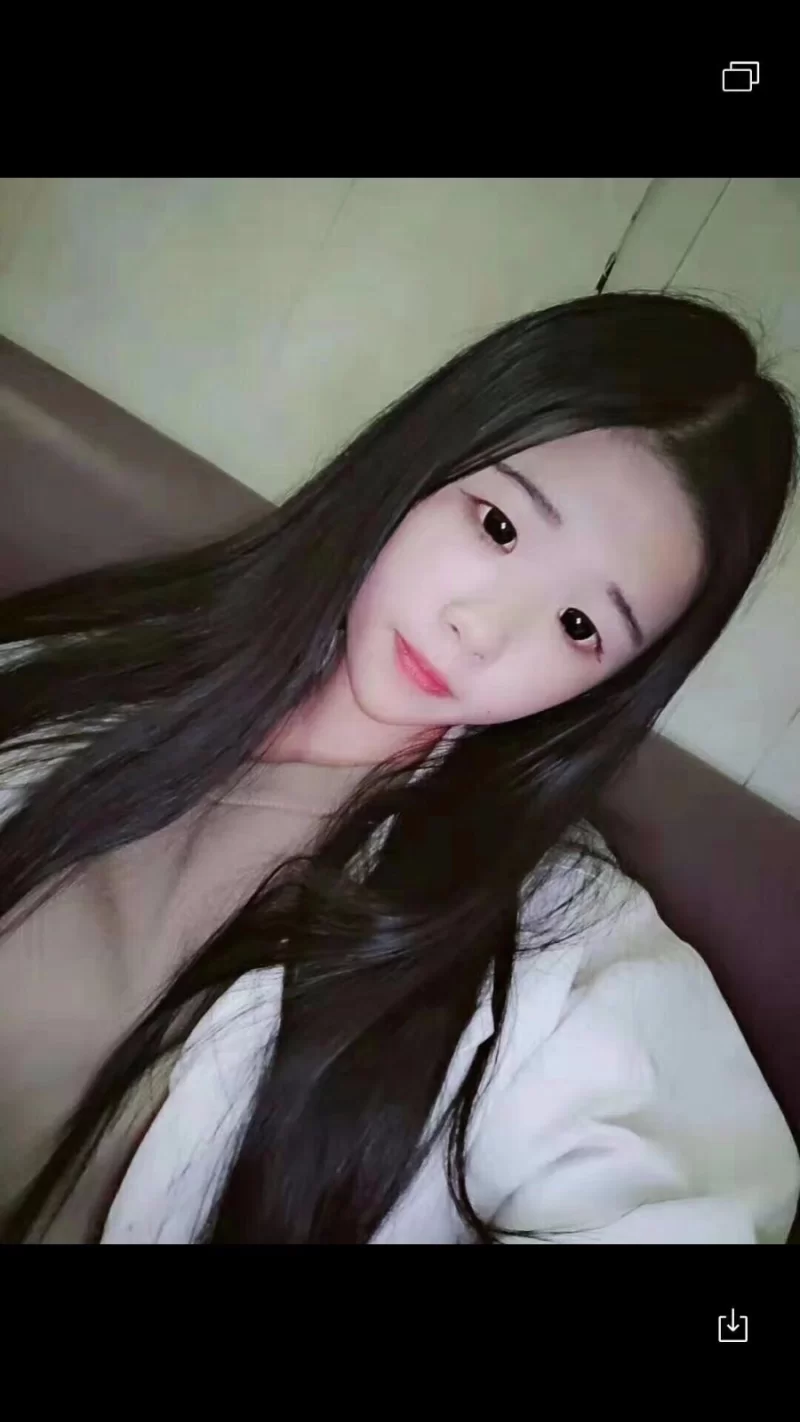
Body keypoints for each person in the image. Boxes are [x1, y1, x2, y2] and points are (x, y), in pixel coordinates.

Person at [0, 290, 798, 1244]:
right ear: (424, 459)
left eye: (580, 625)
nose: (482, 631)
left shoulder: (560, 942)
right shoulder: (103, 664)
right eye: (498, 526)